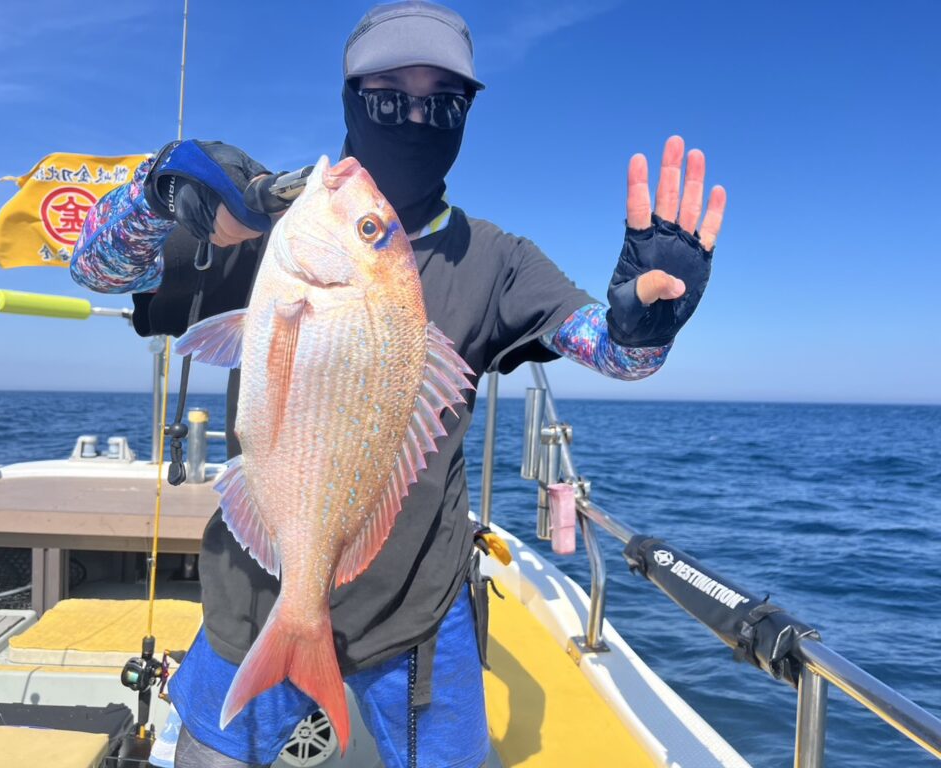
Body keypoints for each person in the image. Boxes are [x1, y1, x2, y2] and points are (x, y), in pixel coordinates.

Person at [71, 3, 726, 766]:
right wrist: (154, 196)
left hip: (418, 611)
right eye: (388, 99)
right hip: (257, 599)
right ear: (350, 99)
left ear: (465, 115)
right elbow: (96, 267)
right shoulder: (261, 224)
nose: (415, 119)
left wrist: (644, 330)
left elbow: (613, 353)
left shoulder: (495, 260)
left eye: (441, 103)